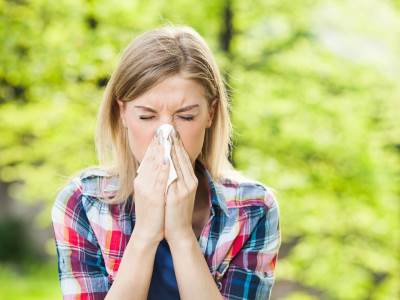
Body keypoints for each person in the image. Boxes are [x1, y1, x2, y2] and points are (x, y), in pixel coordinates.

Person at [51, 24, 281, 300]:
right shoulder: (83, 202)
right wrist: (146, 234)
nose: (166, 135)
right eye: (146, 117)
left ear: (211, 113)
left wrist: (182, 235)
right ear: (122, 112)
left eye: (185, 117)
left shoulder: (253, 209)